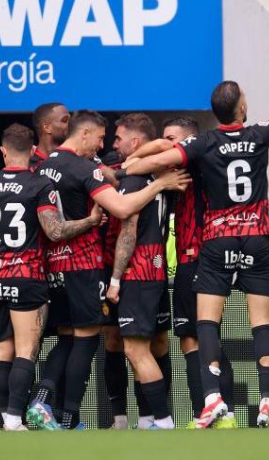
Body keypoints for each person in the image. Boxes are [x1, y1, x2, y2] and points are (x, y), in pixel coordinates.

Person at [118, 44, 269, 428]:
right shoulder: (259, 134)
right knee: (262, 323)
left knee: (206, 323)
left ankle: (212, 399)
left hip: (217, 240)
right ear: (242, 107)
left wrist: (137, 161)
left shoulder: (202, 143)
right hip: (257, 237)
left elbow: (143, 164)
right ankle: (267, 401)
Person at [27, 110, 188, 430]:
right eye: (101, 138)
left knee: (67, 340)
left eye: (112, 138)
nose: (104, 145)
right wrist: (160, 184)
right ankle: (73, 419)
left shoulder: (42, 168)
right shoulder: (85, 169)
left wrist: (134, 165)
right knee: (89, 341)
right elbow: (123, 208)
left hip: (52, 266)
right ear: (84, 134)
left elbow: (52, 227)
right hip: (87, 266)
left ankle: (41, 402)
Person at [0, 123, 102, 431]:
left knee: (2, 351)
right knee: (25, 350)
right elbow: (55, 231)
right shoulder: (39, 184)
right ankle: (14, 418)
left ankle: (8, 416)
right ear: (33, 151)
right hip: (26, 275)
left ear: (3, 151)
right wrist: (90, 221)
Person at [123, 115, 240, 428]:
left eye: (171, 139)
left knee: (191, 339)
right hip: (212, 258)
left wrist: (150, 150)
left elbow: (130, 165)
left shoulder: (189, 162)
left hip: (196, 259)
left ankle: (204, 412)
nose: (165, 145)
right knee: (209, 337)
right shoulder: (204, 164)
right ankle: (226, 414)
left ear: (189, 141)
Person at [105, 113, 175, 430]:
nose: (114, 143)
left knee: (135, 349)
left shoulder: (133, 181)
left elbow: (128, 231)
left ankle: (163, 420)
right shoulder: (156, 175)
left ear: (135, 141)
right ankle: (148, 419)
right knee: (156, 345)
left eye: (118, 138)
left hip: (138, 272)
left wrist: (115, 279)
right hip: (156, 269)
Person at [30, 102, 70, 169]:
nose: (71, 124)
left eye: (71, 120)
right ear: (47, 128)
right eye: (65, 121)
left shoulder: (75, 160)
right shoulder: (28, 163)